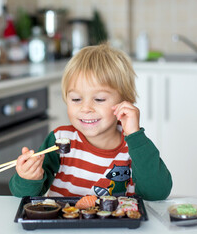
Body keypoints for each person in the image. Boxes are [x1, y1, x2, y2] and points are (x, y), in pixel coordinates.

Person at [9, 44, 172, 200]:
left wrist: (135, 136)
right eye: (76, 99)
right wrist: (28, 177)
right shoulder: (60, 139)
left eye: (99, 99)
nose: (85, 108)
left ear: (124, 102)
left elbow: (157, 193)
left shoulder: (134, 146)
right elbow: (24, 195)